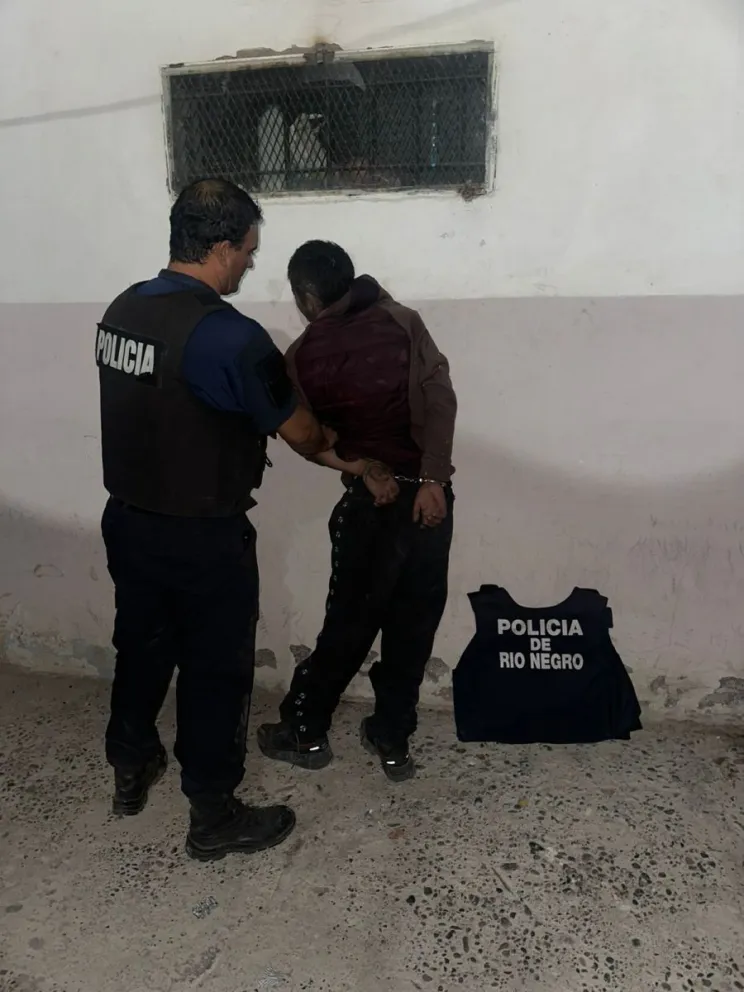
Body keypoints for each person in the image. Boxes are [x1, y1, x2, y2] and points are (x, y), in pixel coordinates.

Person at [96, 179, 336, 861]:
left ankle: (130, 764)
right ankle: (213, 814)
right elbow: (303, 435)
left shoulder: (121, 311)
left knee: (140, 648)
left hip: (129, 520)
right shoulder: (229, 336)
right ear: (222, 246)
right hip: (202, 535)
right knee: (215, 672)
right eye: (249, 252)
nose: (251, 265)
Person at [258, 241, 457, 781]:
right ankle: (392, 739)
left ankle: (305, 732)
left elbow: (306, 437)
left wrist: (362, 468)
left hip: (373, 500)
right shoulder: (402, 321)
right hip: (428, 499)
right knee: (414, 625)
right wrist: (434, 480)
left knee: (349, 624)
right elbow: (440, 400)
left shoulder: (302, 355)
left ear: (305, 295)